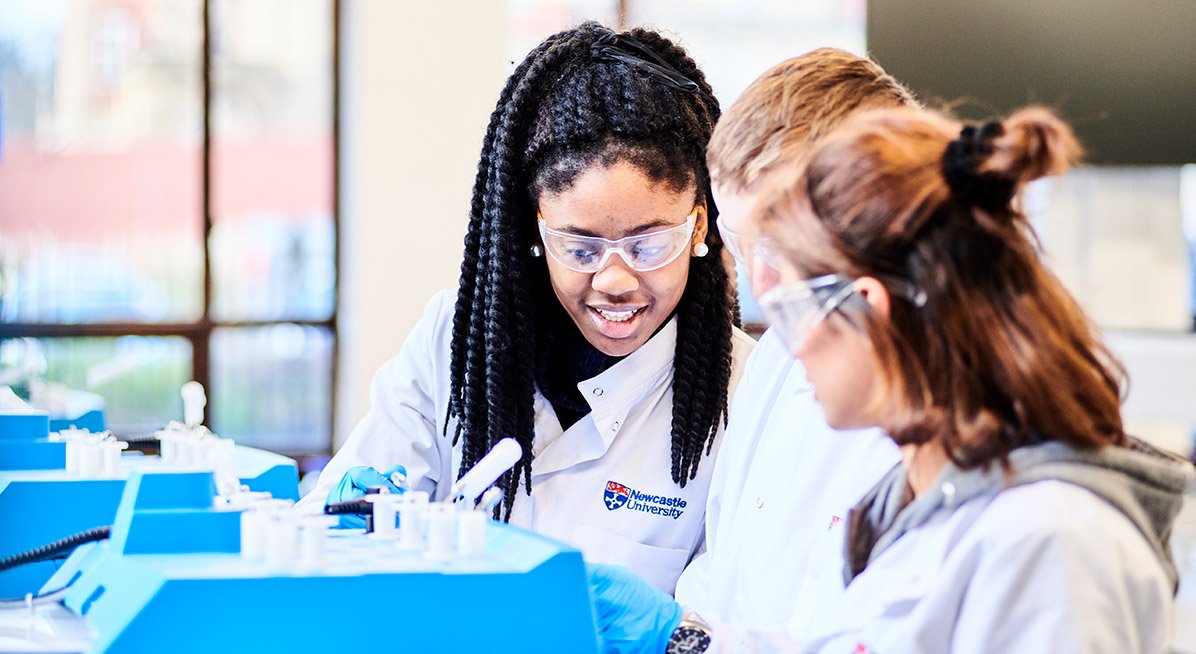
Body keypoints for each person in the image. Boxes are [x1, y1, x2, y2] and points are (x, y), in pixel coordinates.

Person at [592, 105, 1194, 652]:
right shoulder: (924, 498)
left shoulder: (1054, 544)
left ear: (869, 308)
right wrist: (683, 640)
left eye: (798, 309)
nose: (791, 346)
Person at [296, 21, 755, 594]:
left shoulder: (745, 392)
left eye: (648, 244)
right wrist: (349, 524)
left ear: (700, 225)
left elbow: (736, 621)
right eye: (580, 247)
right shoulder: (456, 342)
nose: (615, 279)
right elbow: (325, 542)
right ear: (535, 232)